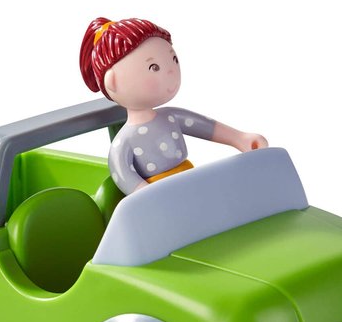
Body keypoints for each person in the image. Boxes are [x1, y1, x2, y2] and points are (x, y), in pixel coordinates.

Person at [80, 17, 268, 195]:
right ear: (112, 81)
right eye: (154, 67)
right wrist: (145, 195)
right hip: (161, 195)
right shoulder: (123, 141)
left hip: (192, 179)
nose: (171, 71)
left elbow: (205, 126)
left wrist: (239, 138)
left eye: (174, 60)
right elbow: (122, 173)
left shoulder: (170, 116)